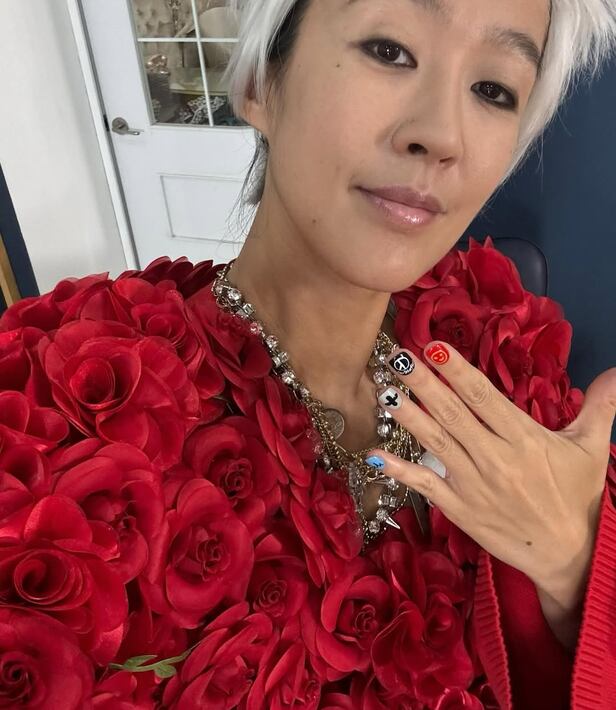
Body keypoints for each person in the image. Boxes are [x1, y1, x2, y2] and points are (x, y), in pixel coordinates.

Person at [1, 0, 615, 708]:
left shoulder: (501, 359)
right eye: (389, 50)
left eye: (493, 89)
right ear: (260, 83)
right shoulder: (52, 418)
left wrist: (574, 567)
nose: (442, 136)